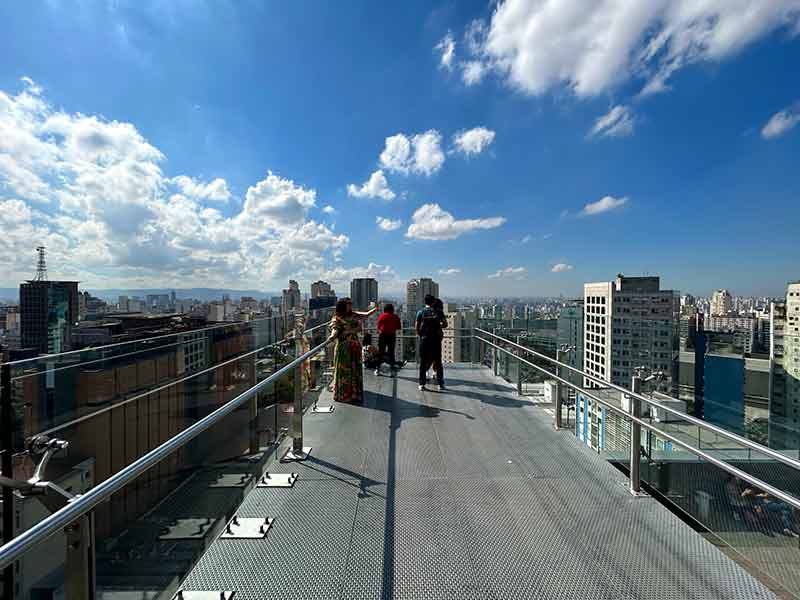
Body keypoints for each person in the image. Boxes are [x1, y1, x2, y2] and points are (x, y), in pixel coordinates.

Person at [328, 298, 378, 404]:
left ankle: (355, 393)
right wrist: (332, 336)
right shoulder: (337, 318)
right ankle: (344, 394)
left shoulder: (354, 315)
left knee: (355, 370)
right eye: (348, 304)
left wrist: (375, 309)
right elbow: (335, 329)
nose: (350, 305)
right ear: (343, 306)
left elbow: (366, 315)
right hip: (343, 348)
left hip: (354, 347)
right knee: (344, 370)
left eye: (351, 303)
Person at [416, 294, 447, 391]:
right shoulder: (439, 312)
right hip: (436, 340)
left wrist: (422, 335)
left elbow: (416, 327)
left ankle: (422, 384)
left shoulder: (420, 312)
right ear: (433, 302)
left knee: (423, 362)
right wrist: (438, 327)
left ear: (425, 302)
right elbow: (445, 324)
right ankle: (440, 384)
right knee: (438, 362)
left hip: (425, 340)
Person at [375, 303, 402, 376]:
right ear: (392, 309)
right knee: (391, 353)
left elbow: (378, 326)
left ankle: (377, 369)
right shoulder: (395, 316)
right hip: (392, 335)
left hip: (382, 335)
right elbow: (399, 327)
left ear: (385, 309)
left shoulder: (381, 316)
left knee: (380, 352)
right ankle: (392, 371)